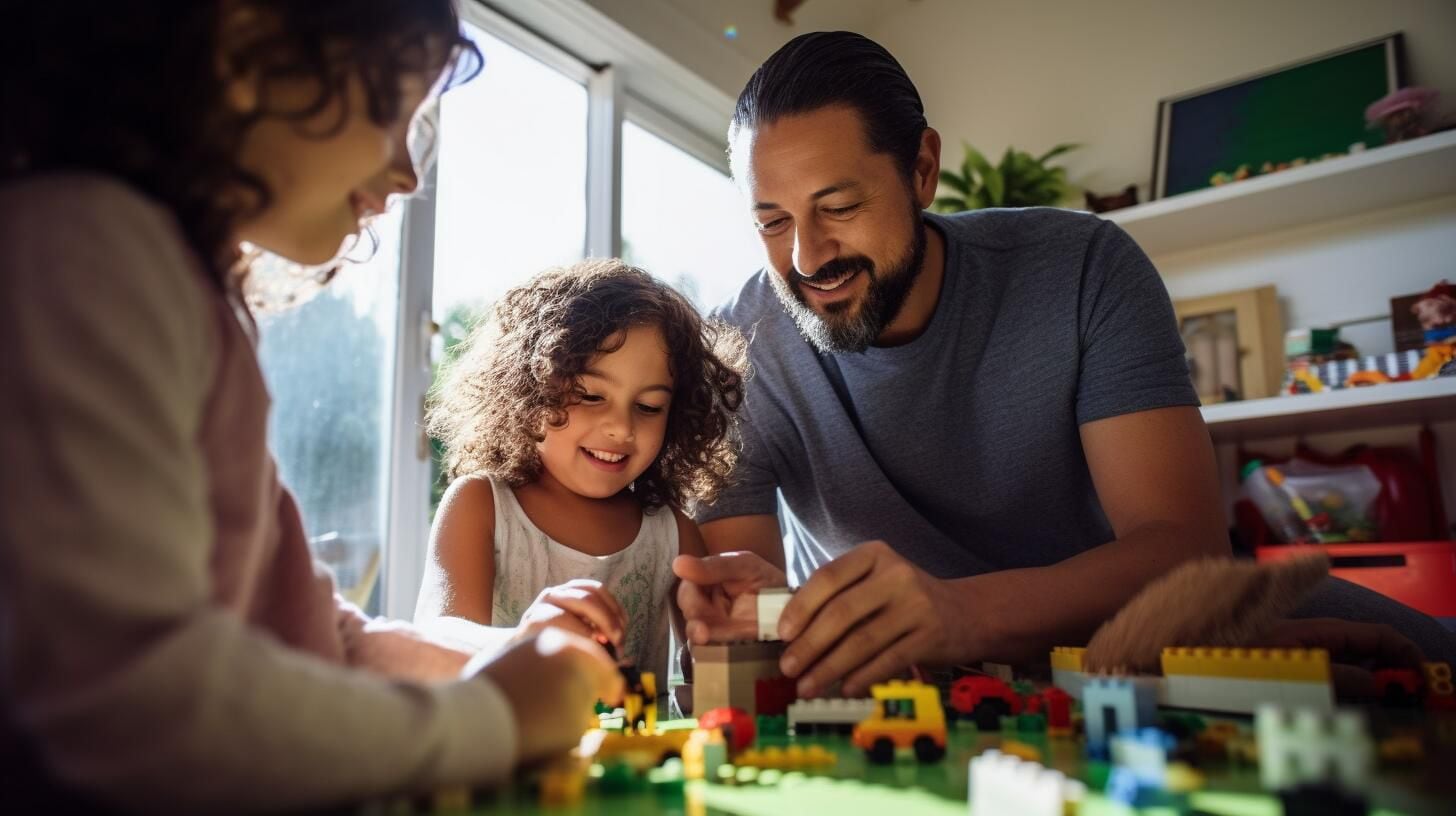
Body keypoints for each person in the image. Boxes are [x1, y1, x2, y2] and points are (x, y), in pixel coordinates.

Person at [674, 31, 1456, 701]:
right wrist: (742, 616)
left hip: (1159, 630)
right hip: (928, 684)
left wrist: (962, 615)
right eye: (772, 222)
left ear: (921, 171)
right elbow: (756, 616)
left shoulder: (1082, 268)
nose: (807, 257)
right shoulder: (742, 344)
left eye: (838, 207)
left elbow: (1183, 546)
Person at [0, 3, 622, 812]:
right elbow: (132, 702)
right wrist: (494, 714)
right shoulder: (88, 246)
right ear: (247, 44)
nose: (408, 174)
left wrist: (522, 656)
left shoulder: (183, 290)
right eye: (390, 113)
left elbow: (322, 636)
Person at [414, 259, 747, 683]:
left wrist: (731, 645)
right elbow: (437, 639)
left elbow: (715, 675)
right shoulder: (481, 505)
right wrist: (521, 641)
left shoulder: (674, 534)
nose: (622, 427)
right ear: (528, 389)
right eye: (590, 396)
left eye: (648, 407)